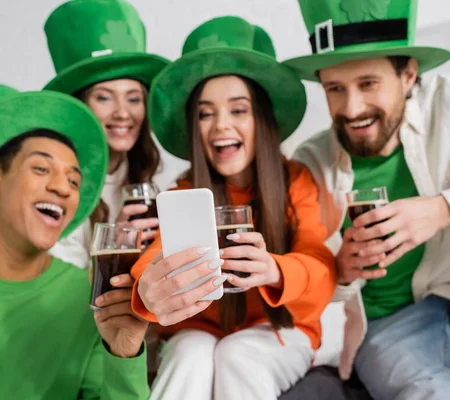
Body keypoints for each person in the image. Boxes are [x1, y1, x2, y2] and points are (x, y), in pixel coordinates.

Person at [282, 0, 450, 399]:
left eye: (368, 84)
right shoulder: (311, 163)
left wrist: (444, 209)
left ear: (408, 75)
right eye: (335, 89)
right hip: (392, 320)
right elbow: (307, 273)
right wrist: (341, 269)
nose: (351, 108)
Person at [124, 16, 339, 400]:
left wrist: (274, 269)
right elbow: (156, 255)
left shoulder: (296, 182)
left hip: (281, 330)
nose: (220, 125)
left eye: (238, 110)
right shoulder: (184, 192)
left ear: (262, 119)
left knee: (237, 354)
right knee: (190, 352)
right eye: (205, 114)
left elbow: (320, 266)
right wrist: (146, 289)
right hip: (200, 332)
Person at [0, 84, 150, 399]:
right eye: (42, 168)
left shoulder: (92, 300)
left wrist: (124, 354)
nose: (63, 188)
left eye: (74, 180)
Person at [43, 0, 170, 268]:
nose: (123, 113)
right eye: (104, 98)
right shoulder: (54, 183)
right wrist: (112, 245)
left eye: (134, 99)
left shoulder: (149, 171)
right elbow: (56, 285)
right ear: (80, 106)